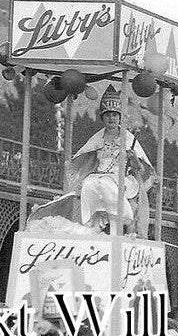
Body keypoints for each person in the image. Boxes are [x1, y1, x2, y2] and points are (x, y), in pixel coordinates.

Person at [65, 86, 153, 235]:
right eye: (108, 115)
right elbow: (86, 157)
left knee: (107, 185)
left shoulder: (129, 138)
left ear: (119, 117)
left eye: (114, 115)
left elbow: (139, 169)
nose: (111, 118)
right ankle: (90, 226)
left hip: (122, 179)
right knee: (88, 184)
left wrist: (133, 158)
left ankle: (118, 224)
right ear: (103, 118)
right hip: (99, 175)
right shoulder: (97, 138)